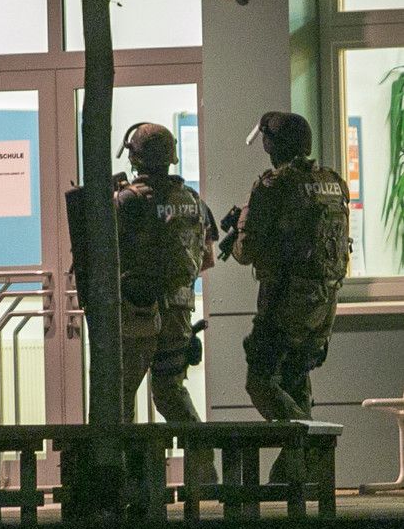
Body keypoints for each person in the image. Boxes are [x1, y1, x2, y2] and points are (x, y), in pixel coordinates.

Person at [231, 111, 350, 481]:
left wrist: (238, 231)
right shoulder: (332, 182)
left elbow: (246, 251)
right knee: (296, 380)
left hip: (286, 303)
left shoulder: (273, 185)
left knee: (261, 380)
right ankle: (291, 476)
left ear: (272, 144)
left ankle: (309, 447)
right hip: (324, 303)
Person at [114, 122, 217, 483]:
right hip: (179, 314)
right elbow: (206, 260)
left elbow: (106, 255)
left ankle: (127, 481)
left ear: (135, 157)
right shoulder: (194, 201)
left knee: (121, 395)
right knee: (170, 391)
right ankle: (204, 474)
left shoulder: (128, 200)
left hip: (138, 311)